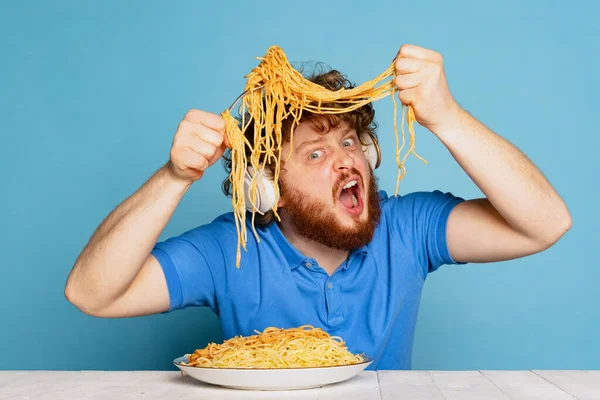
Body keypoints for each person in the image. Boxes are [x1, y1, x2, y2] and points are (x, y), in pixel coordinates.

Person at [64, 45, 571, 370]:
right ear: (269, 189)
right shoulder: (231, 249)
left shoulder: (407, 229)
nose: (346, 161)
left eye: (351, 142)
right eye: (314, 153)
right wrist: (175, 176)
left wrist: (448, 117)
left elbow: (545, 225)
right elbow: (92, 294)